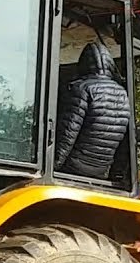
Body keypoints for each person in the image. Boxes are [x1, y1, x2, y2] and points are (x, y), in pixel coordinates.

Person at [55, 43, 131, 178]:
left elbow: (68, 133)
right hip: (101, 171)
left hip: (74, 168)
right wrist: (115, 174)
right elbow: (124, 143)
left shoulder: (82, 89)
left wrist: (55, 165)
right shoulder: (123, 94)